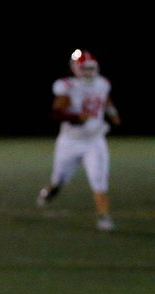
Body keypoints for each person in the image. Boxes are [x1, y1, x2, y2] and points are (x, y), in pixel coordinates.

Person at [36, 49, 121, 232]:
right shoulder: (67, 86)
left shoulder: (102, 83)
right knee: (59, 179)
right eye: (85, 68)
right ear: (75, 69)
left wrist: (112, 113)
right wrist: (75, 117)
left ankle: (103, 215)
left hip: (94, 140)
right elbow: (56, 113)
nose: (89, 72)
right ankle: (50, 192)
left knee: (99, 180)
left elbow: (105, 99)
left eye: (91, 68)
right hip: (70, 142)